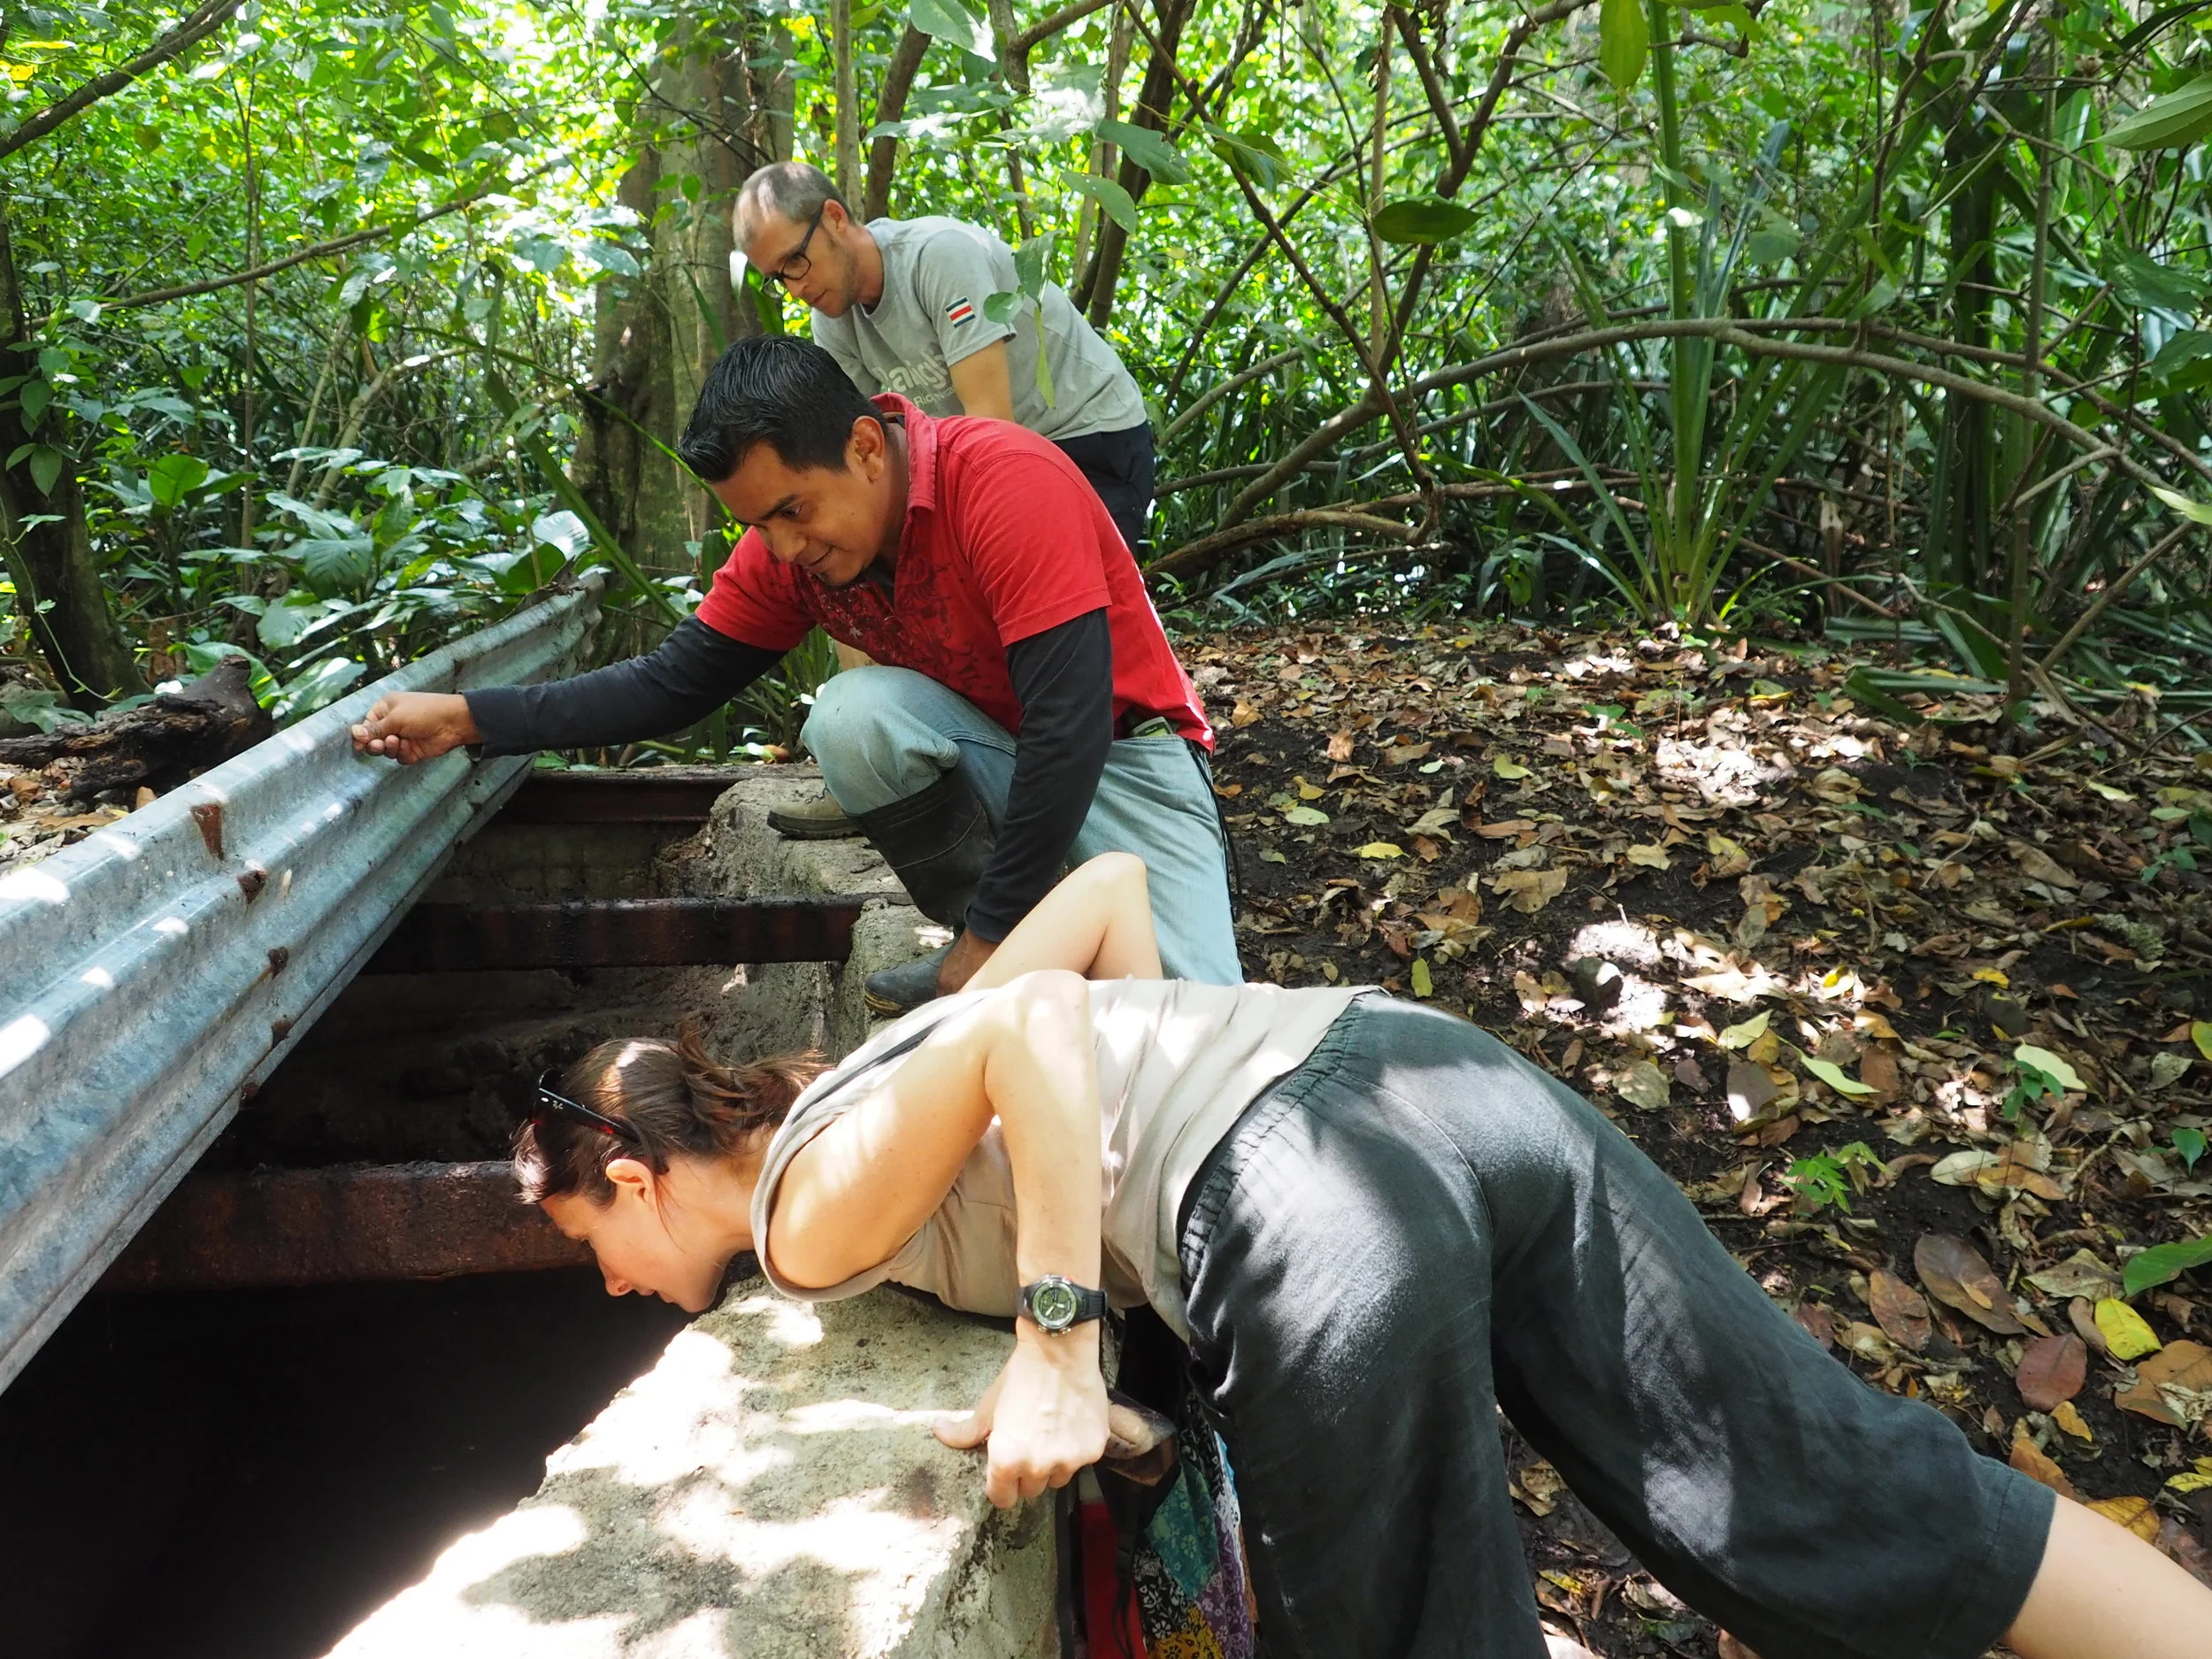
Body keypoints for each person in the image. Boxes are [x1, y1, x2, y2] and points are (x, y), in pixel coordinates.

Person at [518, 853, 2212, 1659]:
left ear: (651, 1174)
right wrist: (1176, 1092)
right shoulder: (881, 1062)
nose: (606, 1285)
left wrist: (1058, 1333)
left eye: (589, 1235)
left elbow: (1037, 1023)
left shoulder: (807, 1221)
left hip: (1307, 1202)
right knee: (1827, 1483)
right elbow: (1105, 904)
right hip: (1428, 1074)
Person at [350, 337, 1236, 1015]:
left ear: (863, 448)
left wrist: (986, 943)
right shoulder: (792, 553)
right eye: (759, 525)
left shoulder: (1001, 482)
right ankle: (1011, 948)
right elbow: (672, 685)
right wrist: (472, 717)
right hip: (999, 755)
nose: (784, 548)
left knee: (1203, 1034)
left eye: (791, 511)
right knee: (853, 717)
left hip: (1129, 765)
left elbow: (1069, 725)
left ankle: (994, 946)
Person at [733, 161, 1157, 845]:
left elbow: (997, 438)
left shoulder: (939, 257)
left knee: (1057, 630)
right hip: (985, 465)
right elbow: (859, 487)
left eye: (796, 261)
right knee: (850, 558)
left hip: (1083, 438)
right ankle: (870, 781)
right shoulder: (834, 328)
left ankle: (1111, 799)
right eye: (778, 277)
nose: (796, 286)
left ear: (836, 219)